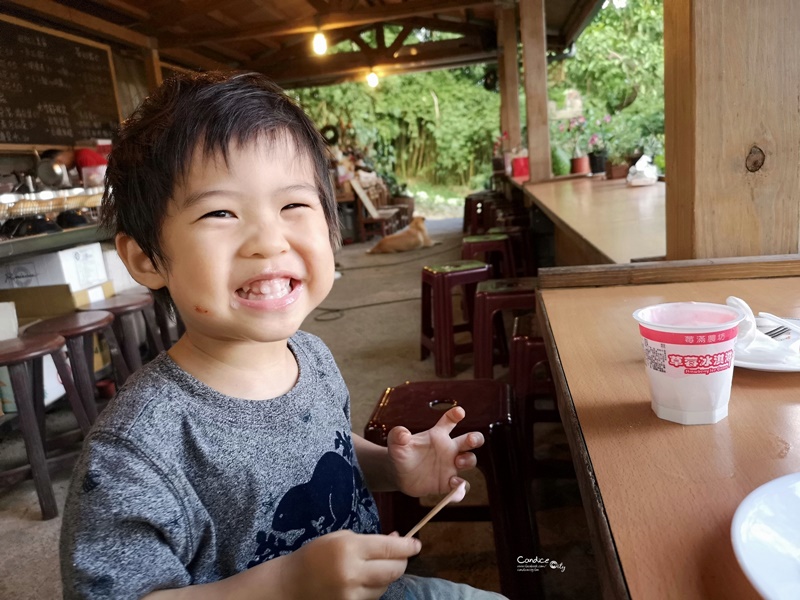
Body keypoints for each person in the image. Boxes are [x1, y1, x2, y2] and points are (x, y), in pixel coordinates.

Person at [59, 71, 507, 600]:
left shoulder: (310, 355)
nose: (269, 240)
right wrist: (289, 585)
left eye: (293, 205)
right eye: (220, 212)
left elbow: (325, 449)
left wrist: (391, 467)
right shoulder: (135, 449)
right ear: (146, 258)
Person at [40, 147, 107, 187]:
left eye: (64, 168)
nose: (66, 169)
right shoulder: (80, 156)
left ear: (59, 161)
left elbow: (94, 182)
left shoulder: (82, 157)